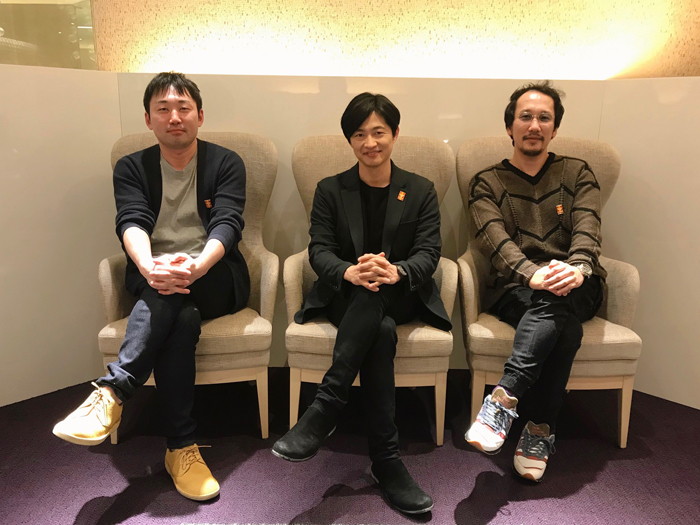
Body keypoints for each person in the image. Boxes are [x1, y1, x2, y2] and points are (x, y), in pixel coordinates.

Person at [52, 72, 249, 501]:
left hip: (214, 275)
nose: (174, 117)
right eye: (163, 109)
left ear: (200, 115)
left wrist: (196, 266)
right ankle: (181, 449)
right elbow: (132, 220)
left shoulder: (226, 162)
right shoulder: (131, 167)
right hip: (155, 275)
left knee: (173, 297)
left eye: (183, 108)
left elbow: (228, 222)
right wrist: (149, 267)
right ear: (148, 119)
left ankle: (113, 390)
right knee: (183, 316)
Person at [272, 93, 451, 514]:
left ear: (395, 134)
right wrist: (350, 272)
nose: (370, 143)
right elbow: (319, 250)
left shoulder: (420, 190)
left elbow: (429, 251)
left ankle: (325, 407)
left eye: (378, 132)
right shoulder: (330, 190)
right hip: (348, 295)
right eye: (359, 135)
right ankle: (386, 461)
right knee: (380, 327)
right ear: (349, 140)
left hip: (401, 293)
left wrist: (396, 271)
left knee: (379, 295)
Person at [465, 81, 605, 482]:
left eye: (545, 118)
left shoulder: (577, 172)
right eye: (525, 117)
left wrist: (576, 268)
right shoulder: (486, 182)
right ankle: (540, 429)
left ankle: (504, 397)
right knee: (566, 328)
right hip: (517, 287)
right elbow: (493, 240)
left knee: (557, 300)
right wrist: (533, 274)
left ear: (555, 128)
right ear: (509, 126)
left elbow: (588, 226)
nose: (534, 125)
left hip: (579, 281)